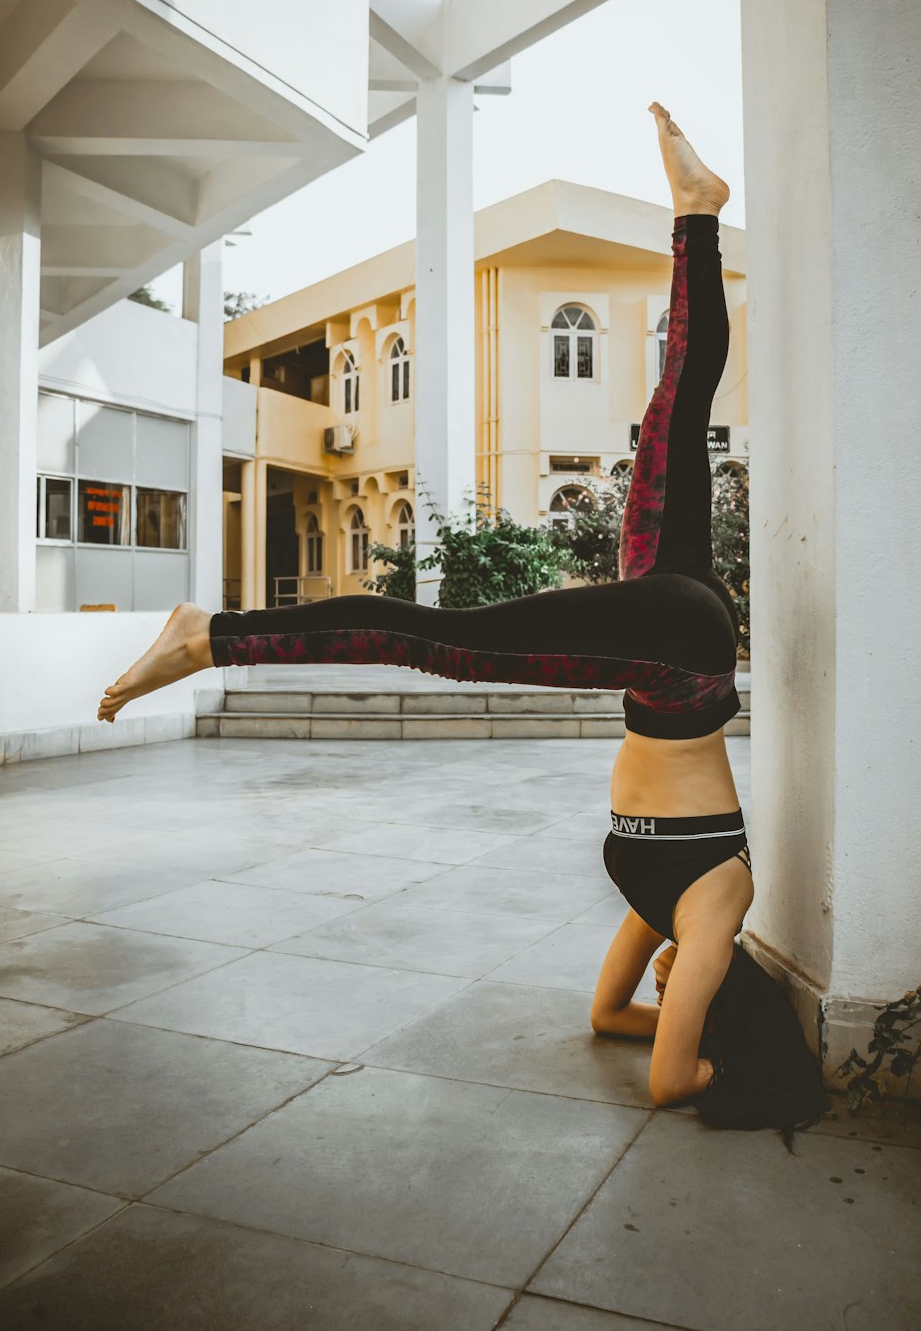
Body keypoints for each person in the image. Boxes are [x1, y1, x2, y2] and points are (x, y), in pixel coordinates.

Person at [98, 102, 826, 1134]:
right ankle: (209, 636)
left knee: (678, 406)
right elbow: (666, 1079)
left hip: (671, 653)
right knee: (435, 641)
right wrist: (708, 1051)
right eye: (690, 991)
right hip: (678, 665)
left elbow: (607, 1017)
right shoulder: (713, 915)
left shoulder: (663, 912)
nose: (670, 982)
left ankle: (697, 215)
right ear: (719, 996)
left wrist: (668, 1011)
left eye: (673, 987)